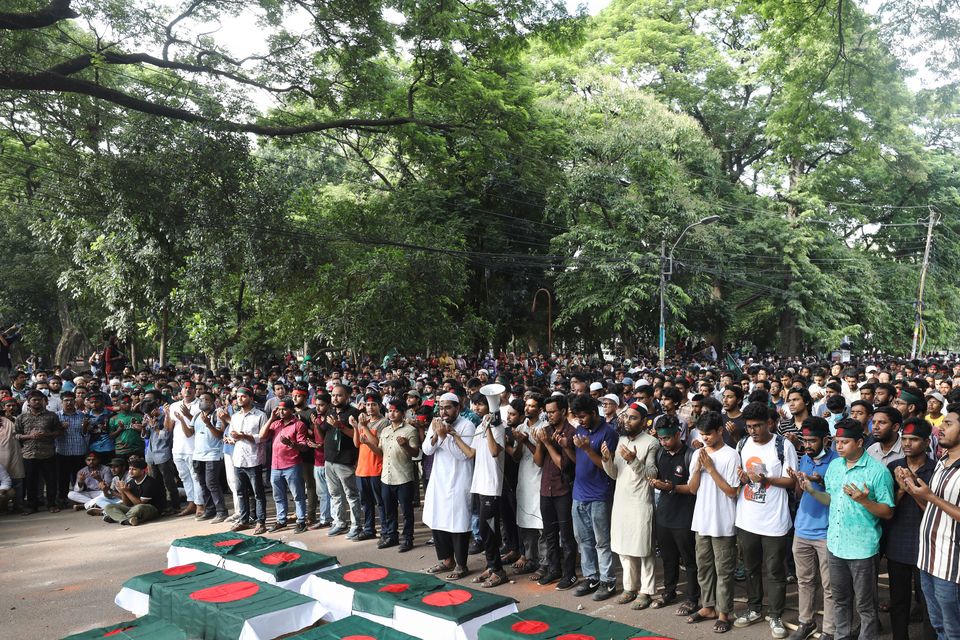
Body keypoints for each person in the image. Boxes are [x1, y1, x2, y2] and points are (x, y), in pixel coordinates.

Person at [798, 418, 894, 640]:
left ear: (860, 442)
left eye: (845, 442)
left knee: (865, 606)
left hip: (862, 547)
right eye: (837, 442)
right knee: (840, 600)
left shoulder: (877, 472)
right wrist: (811, 491)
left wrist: (865, 501)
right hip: (835, 544)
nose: (839, 446)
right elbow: (831, 499)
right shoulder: (835, 466)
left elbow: (888, 512)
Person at [733, 402, 798, 639]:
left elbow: (792, 482)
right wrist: (742, 478)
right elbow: (740, 479)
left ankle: (776, 614)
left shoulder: (783, 445)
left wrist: (766, 479)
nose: (753, 431)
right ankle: (753, 609)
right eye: (749, 426)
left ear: (769, 423)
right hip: (747, 519)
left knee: (774, 571)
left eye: (757, 426)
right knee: (750, 569)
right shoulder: (742, 444)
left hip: (775, 520)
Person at [901, 402, 960, 639]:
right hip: (928, 560)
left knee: (953, 630)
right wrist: (914, 489)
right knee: (938, 625)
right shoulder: (943, 462)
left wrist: (930, 496)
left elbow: (935, 501)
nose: (941, 428)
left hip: (951, 566)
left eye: (948, 423)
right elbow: (930, 508)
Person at [600, 402, 659, 608]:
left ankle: (646, 590)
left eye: (633, 418)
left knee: (644, 548)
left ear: (643, 421)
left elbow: (651, 475)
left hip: (641, 501)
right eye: (627, 417)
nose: (627, 421)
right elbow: (615, 474)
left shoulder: (652, 442)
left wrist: (634, 460)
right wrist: (607, 460)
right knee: (624, 548)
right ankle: (629, 588)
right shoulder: (621, 439)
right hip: (622, 500)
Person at [687, 410, 741, 634]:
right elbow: (692, 489)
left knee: (724, 570)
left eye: (709, 433)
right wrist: (700, 469)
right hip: (701, 520)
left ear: (720, 431)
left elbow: (732, 492)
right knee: (704, 567)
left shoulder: (731, 455)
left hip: (723, 521)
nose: (705, 438)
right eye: (702, 434)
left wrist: (710, 468)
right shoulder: (698, 454)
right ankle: (708, 606)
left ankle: (723, 612)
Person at [785, 417, 838, 640]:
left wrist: (819, 480)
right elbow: (800, 494)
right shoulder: (805, 459)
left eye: (812, 441)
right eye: (804, 440)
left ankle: (829, 630)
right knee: (804, 581)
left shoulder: (837, 462)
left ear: (826, 440)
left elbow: (837, 497)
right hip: (802, 530)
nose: (807, 445)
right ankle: (806, 622)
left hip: (826, 533)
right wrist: (798, 482)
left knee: (829, 586)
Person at [885, 417, 936, 640]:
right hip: (898, 543)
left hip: (928, 546)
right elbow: (887, 509)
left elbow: (934, 512)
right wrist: (902, 490)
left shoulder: (937, 470)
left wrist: (914, 488)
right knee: (898, 600)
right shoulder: (893, 467)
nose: (907, 443)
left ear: (926, 442)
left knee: (928, 603)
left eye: (914, 439)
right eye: (904, 439)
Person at [451, 393, 506, 587]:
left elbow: (494, 451)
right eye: (474, 404)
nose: (475, 408)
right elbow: (471, 453)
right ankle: (491, 566)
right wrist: (455, 436)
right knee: (484, 530)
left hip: (492, 486)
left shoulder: (498, 427)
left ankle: (498, 570)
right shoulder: (479, 426)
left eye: (480, 405)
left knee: (489, 529)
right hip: (479, 484)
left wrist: (489, 427)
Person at [423, 392, 476, 580]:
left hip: (459, 481)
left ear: (458, 408)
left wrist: (444, 437)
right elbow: (426, 449)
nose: (443, 411)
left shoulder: (467, 425)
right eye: (441, 407)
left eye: (448, 407)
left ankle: (461, 564)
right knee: (437, 520)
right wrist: (436, 436)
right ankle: (446, 560)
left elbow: (463, 455)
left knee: (458, 523)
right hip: (439, 480)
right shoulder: (435, 423)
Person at [650, 414, 700, 615]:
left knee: (689, 560)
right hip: (664, 514)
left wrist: (671, 487)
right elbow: (659, 480)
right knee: (668, 558)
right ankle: (669, 592)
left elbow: (694, 488)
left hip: (684, 516)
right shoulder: (661, 454)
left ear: (678, 434)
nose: (664, 443)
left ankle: (692, 598)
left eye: (667, 438)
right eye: (661, 439)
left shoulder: (691, 455)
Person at [533, 394, 578, 591]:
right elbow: (537, 462)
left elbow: (564, 465)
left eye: (552, 412)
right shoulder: (546, 431)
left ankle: (570, 574)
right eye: (547, 412)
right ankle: (553, 569)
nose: (549, 415)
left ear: (563, 411)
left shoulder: (570, 433)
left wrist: (550, 444)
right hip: (546, 489)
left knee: (566, 535)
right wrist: (540, 443)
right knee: (549, 533)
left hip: (563, 489)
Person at [367, 397, 419, 551]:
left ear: (403, 413)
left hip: (403, 477)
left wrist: (406, 446)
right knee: (389, 510)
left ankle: (408, 539)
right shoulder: (385, 430)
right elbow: (380, 452)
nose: (392, 414)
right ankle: (392, 536)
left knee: (407, 511)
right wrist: (369, 443)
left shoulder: (410, 430)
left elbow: (415, 453)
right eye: (390, 411)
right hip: (386, 477)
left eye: (396, 411)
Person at [177, 390, 228, 524]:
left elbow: (219, 435)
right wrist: (182, 420)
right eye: (200, 399)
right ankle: (210, 510)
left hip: (213, 454)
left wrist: (208, 424)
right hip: (198, 455)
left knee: (212, 483)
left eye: (205, 399)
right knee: (203, 484)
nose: (201, 402)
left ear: (211, 402)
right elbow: (189, 434)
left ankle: (221, 511)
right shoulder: (197, 416)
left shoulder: (216, 415)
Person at [259, 398, 309, 533]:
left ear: (292, 410)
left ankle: (301, 521)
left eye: (284, 409)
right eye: (279, 409)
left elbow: (304, 447)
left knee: (297, 495)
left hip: (292, 465)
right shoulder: (275, 424)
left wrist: (291, 444)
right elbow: (262, 436)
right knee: (278, 496)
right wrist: (271, 418)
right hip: (275, 466)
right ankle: (281, 520)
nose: (281, 412)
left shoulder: (298, 425)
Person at [222, 386, 267, 534]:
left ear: (251, 398)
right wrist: (231, 439)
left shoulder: (260, 415)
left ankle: (260, 521)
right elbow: (235, 438)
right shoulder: (235, 417)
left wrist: (243, 436)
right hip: (238, 459)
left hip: (253, 459)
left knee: (258, 493)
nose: (240, 399)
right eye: (238, 397)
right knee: (241, 492)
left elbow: (263, 438)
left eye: (243, 396)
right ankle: (244, 520)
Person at [322, 384, 362, 539]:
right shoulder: (330, 411)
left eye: (339, 395)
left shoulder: (354, 413)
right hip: (329, 459)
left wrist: (340, 426)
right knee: (334, 494)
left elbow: (356, 435)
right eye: (333, 395)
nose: (335, 398)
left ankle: (356, 525)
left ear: (347, 397)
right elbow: (326, 430)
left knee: (351, 494)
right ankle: (339, 522)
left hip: (345, 460)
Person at [15, 390, 62, 514]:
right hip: (29, 454)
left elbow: (58, 432)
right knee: (31, 482)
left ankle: (52, 504)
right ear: (28, 402)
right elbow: (17, 435)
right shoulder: (21, 417)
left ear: (43, 401)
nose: (37, 402)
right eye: (34, 400)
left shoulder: (52, 416)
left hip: (48, 453)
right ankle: (32, 506)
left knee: (51, 480)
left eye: (39, 400)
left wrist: (47, 434)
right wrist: (29, 436)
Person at [351, 392, 387, 542]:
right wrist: (355, 427)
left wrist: (363, 427)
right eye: (367, 405)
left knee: (381, 502)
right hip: (362, 468)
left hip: (376, 467)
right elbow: (357, 443)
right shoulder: (362, 422)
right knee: (366, 502)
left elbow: (376, 443)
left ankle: (386, 531)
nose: (370, 407)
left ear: (379, 406)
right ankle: (369, 528)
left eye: (373, 404)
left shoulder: (383, 422)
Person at [166, 382, 200, 516]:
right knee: (184, 477)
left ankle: (200, 505)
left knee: (196, 477)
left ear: (194, 391)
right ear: (181, 391)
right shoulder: (175, 405)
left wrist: (186, 415)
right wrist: (167, 414)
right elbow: (169, 428)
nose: (188, 390)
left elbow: (198, 426)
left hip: (194, 448)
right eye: (185, 388)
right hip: (178, 448)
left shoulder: (198, 405)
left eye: (191, 388)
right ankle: (191, 503)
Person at [102, 458, 166, 525]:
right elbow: (127, 504)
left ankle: (116, 517)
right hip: (133, 508)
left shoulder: (150, 483)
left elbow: (140, 503)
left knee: (138, 508)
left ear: (143, 471)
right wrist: (122, 491)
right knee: (108, 507)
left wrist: (126, 492)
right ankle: (126, 520)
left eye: (134, 469)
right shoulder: (131, 482)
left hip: (152, 509)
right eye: (130, 469)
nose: (130, 472)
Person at [141, 400, 179, 514]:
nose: (147, 415)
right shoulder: (149, 419)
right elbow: (145, 436)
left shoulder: (165, 417)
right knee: (155, 483)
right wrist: (144, 427)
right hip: (151, 456)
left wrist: (155, 428)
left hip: (163, 454)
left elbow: (166, 436)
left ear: (156, 409)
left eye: (149, 412)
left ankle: (175, 506)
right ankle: (161, 506)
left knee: (169, 483)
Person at [55, 390, 88, 509]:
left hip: (79, 451)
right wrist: (60, 428)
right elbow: (53, 434)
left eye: (71, 400)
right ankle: (62, 499)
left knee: (78, 477)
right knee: (62, 477)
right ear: (61, 401)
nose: (68, 402)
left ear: (75, 401)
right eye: (66, 400)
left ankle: (79, 499)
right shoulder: (56, 416)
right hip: (62, 451)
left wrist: (85, 428)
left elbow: (85, 433)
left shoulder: (81, 415)